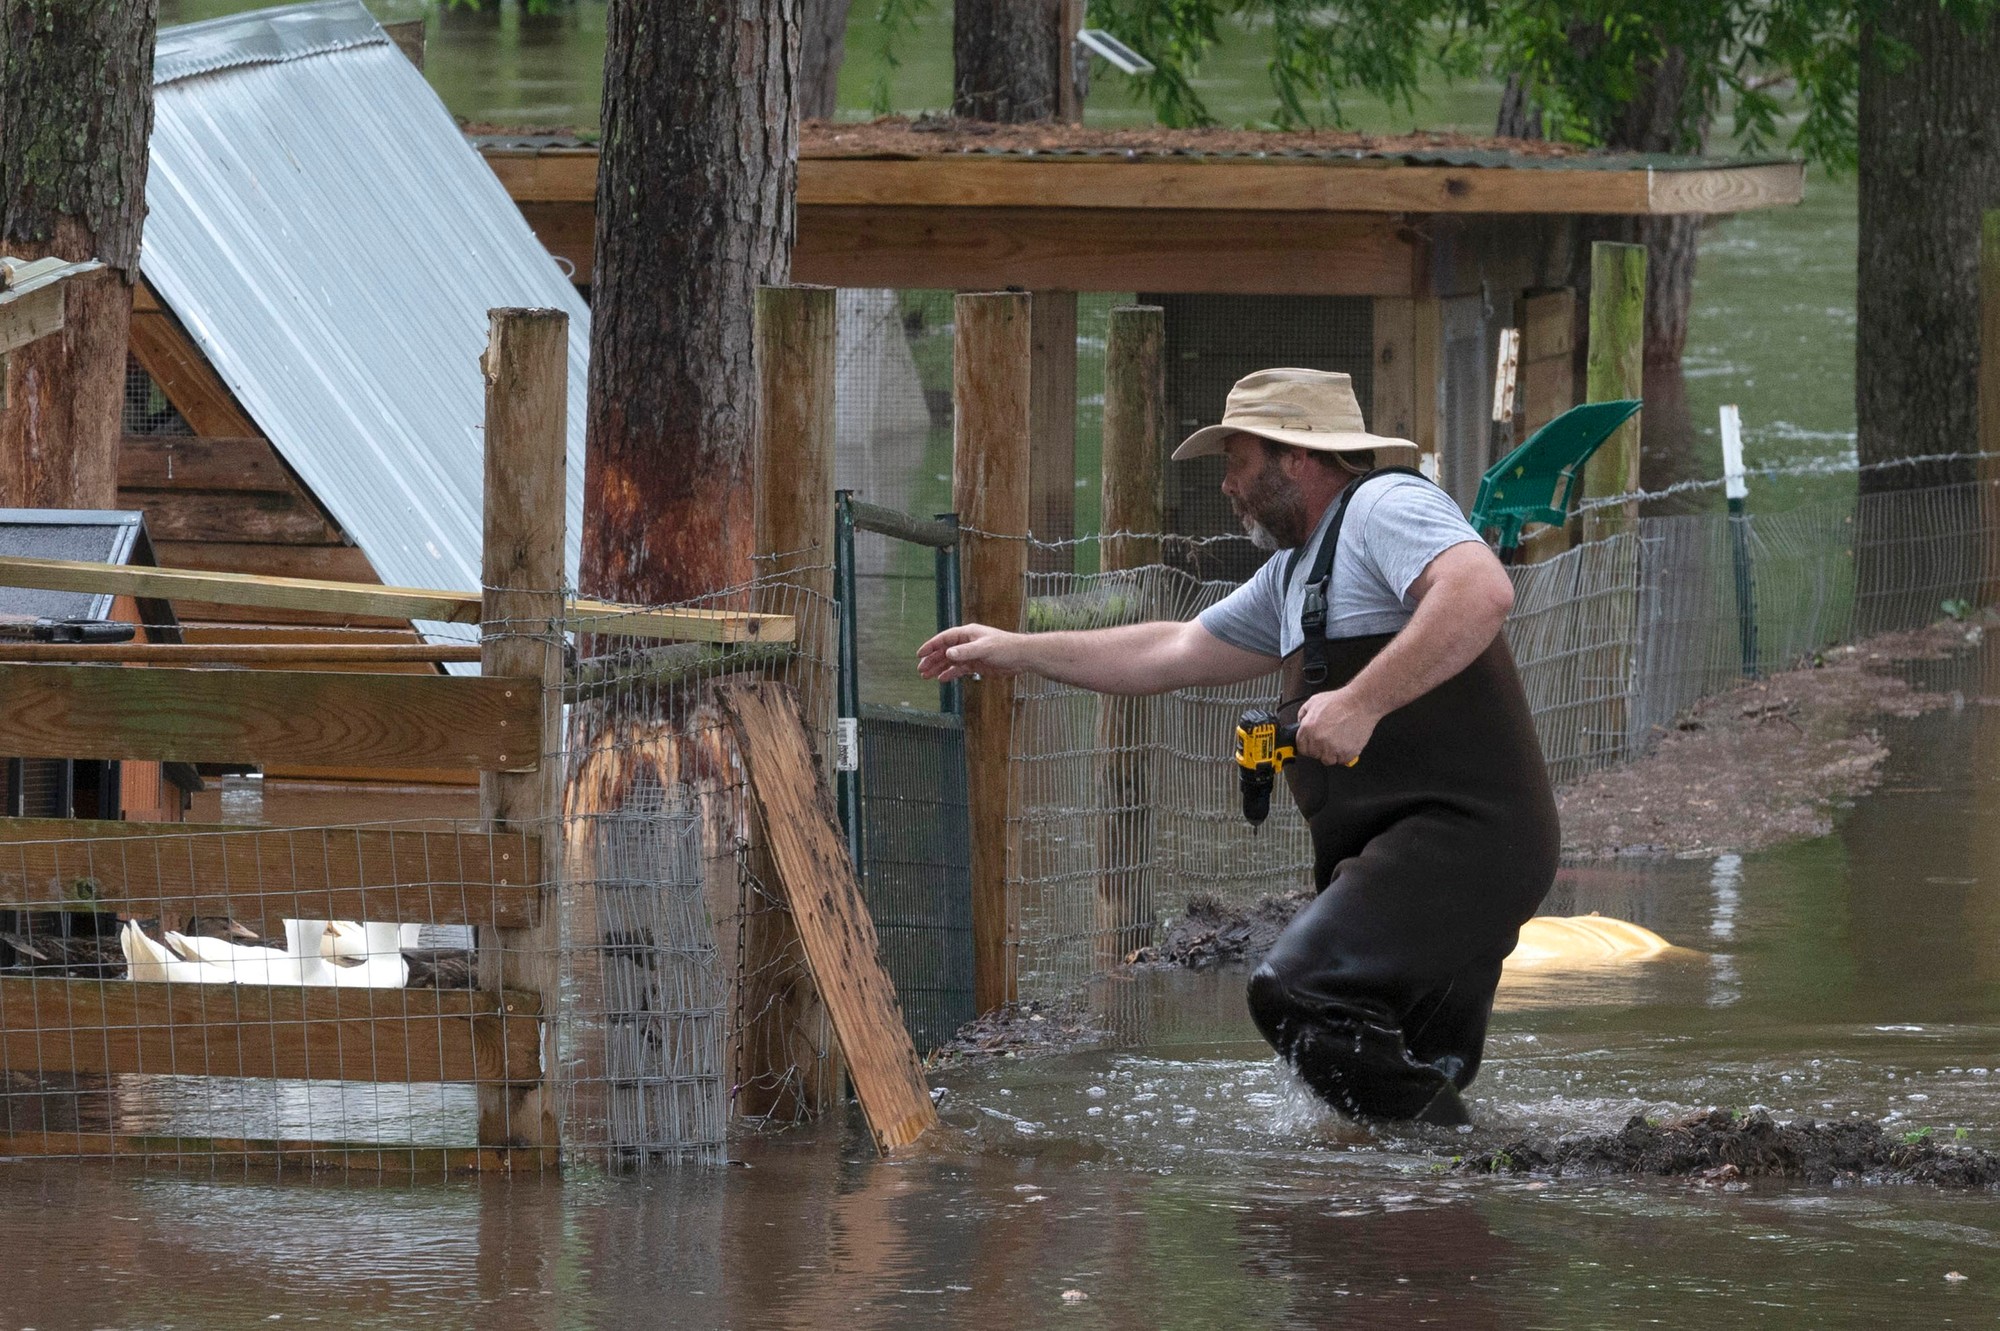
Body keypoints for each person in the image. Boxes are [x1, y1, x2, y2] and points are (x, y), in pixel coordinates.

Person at [917, 367, 1559, 1126]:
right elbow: (1173, 649)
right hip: (1415, 850)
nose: (1225, 485)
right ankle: (1440, 1212)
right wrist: (1017, 649)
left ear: (1296, 455)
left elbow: (1481, 590)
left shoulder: (1389, 503)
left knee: (1296, 991)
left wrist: (1360, 700)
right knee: (1405, 1078)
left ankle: (1474, 1169)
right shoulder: (1296, 574)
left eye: (1236, 459)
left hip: (1468, 839)